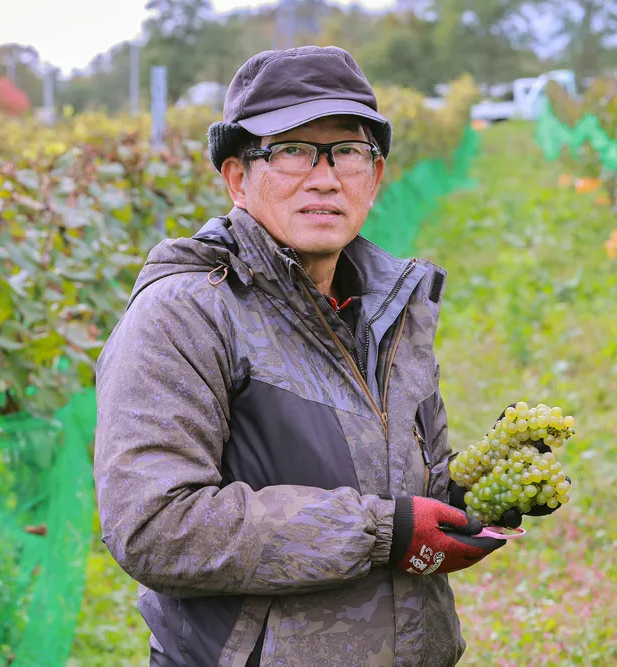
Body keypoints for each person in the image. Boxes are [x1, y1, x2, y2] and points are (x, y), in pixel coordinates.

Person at [93, 45, 562, 667]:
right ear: (237, 178)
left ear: (375, 175)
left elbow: (393, 487)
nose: (325, 177)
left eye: (347, 152)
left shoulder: (392, 306)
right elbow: (154, 526)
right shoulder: (184, 314)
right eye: (292, 150)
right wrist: (383, 532)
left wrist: (470, 493)